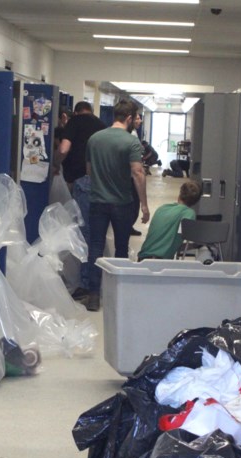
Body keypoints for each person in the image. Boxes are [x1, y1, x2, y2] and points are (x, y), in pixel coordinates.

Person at [83, 99, 150, 311]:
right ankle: (118, 294)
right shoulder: (130, 142)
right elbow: (138, 173)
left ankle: (94, 295)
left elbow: (89, 171)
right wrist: (145, 205)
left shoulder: (94, 139)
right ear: (129, 118)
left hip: (97, 201)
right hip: (122, 202)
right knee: (121, 247)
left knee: (95, 247)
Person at [56, 101, 107, 301]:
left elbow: (64, 148)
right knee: (97, 234)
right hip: (101, 185)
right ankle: (97, 281)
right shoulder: (101, 126)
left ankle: (85, 284)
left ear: (76, 112)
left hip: (80, 182)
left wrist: (54, 164)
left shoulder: (74, 122)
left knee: (84, 233)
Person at [137, 180, 202, 260]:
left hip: (142, 258)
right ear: (196, 201)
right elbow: (187, 235)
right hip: (160, 261)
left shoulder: (162, 208)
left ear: (180, 194)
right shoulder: (189, 213)